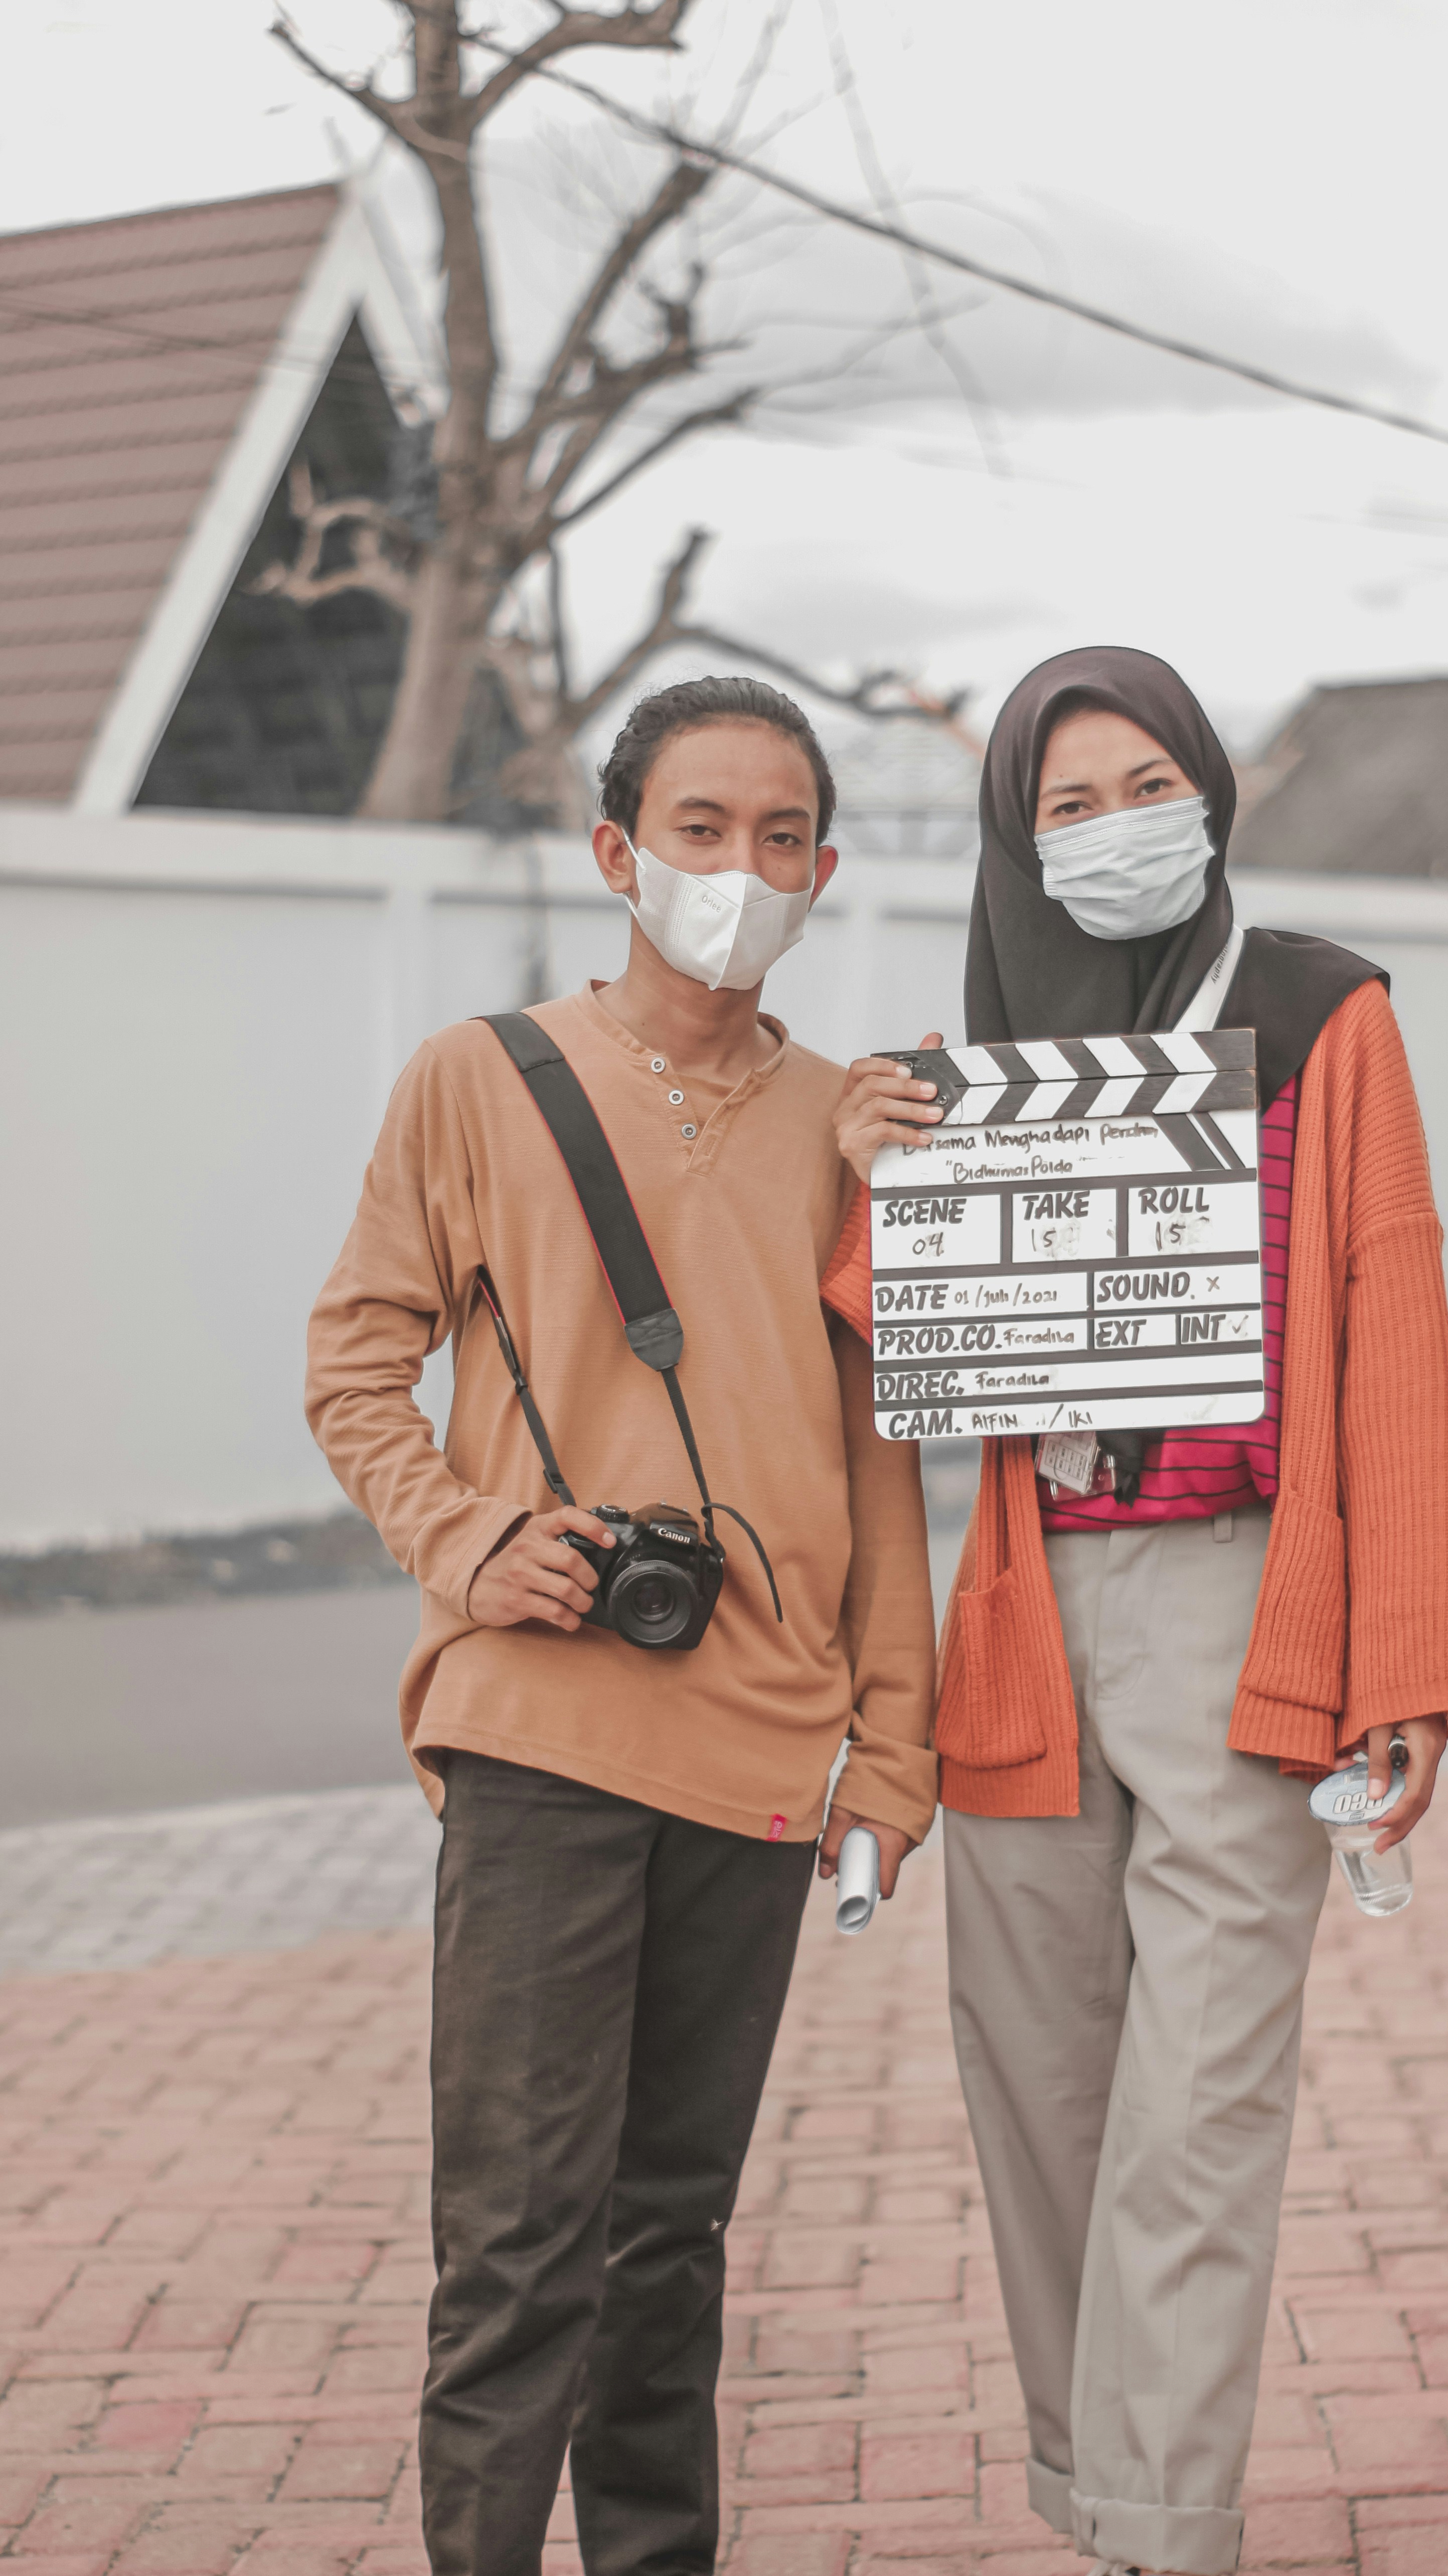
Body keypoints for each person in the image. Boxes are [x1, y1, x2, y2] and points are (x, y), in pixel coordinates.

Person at [823, 646, 1448, 2576]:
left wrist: (1410, 1667)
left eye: (1145, 786)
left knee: (1197, 2098)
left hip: (1240, 1599)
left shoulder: (1316, 1011)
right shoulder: (977, 1049)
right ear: (1015, 840)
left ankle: (1159, 2532)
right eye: (1067, 803)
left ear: (1211, 789)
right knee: (1036, 2083)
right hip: (1027, 1608)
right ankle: (1099, 2488)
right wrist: (868, 1196)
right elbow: (903, 1361)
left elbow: (1391, 1320)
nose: (1114, 831)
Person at [306, 675, 937, 2576]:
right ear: (617, 851)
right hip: (543, 1729)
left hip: (760, 1747)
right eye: (696, 830)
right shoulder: (477, 1078)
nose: (735, 870)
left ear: (821, 872)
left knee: (671, 2241)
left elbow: (883, 1452)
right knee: (515, 2241)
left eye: (776, 840)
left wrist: (890, 1747)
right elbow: (356, 1363)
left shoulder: (853, 1121)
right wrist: (466, 1538)